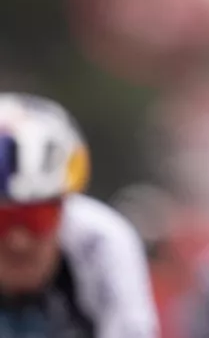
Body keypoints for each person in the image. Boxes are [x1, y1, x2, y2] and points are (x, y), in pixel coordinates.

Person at [0, 92, 159, 337]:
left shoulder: (103, 240)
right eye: (4, 220)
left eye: (37, 218)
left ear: (65, 209)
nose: (18, 242)